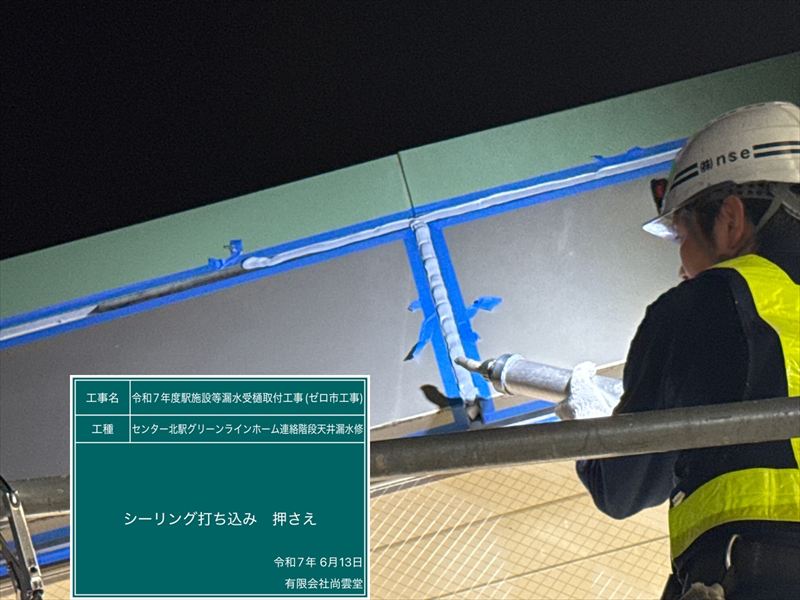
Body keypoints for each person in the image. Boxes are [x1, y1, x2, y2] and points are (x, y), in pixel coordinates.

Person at [573, 102, 800, 599]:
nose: (680, 267)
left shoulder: (706, 302)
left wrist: (590, 431)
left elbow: (624, 485)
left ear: (730, 219)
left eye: (681, 235)